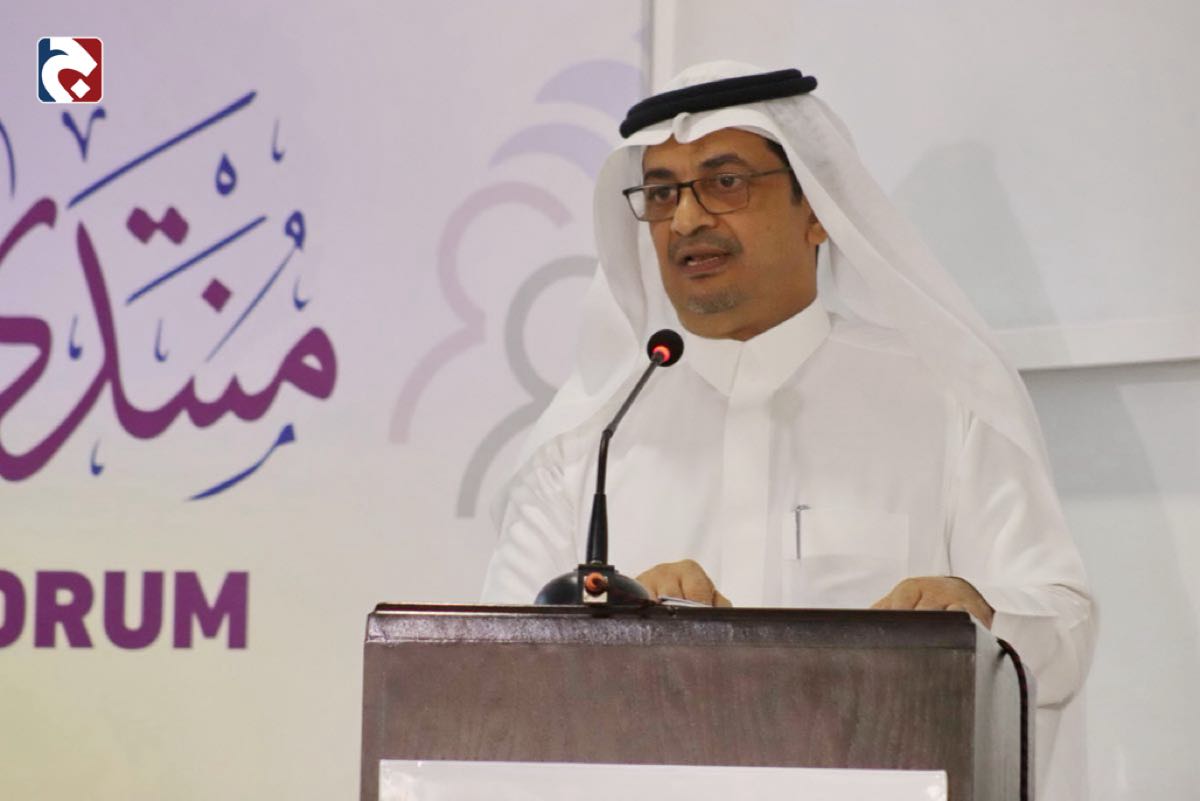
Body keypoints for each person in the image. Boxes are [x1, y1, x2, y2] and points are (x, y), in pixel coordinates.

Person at [482, 61, 1095, 800]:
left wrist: (981, 617)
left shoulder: (944, 398)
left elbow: (1063, 629)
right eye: (663, 192)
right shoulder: (589, 434)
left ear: (817, 210)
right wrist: (620, 623)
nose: (686, 221)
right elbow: (494, 674)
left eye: (726, 181)